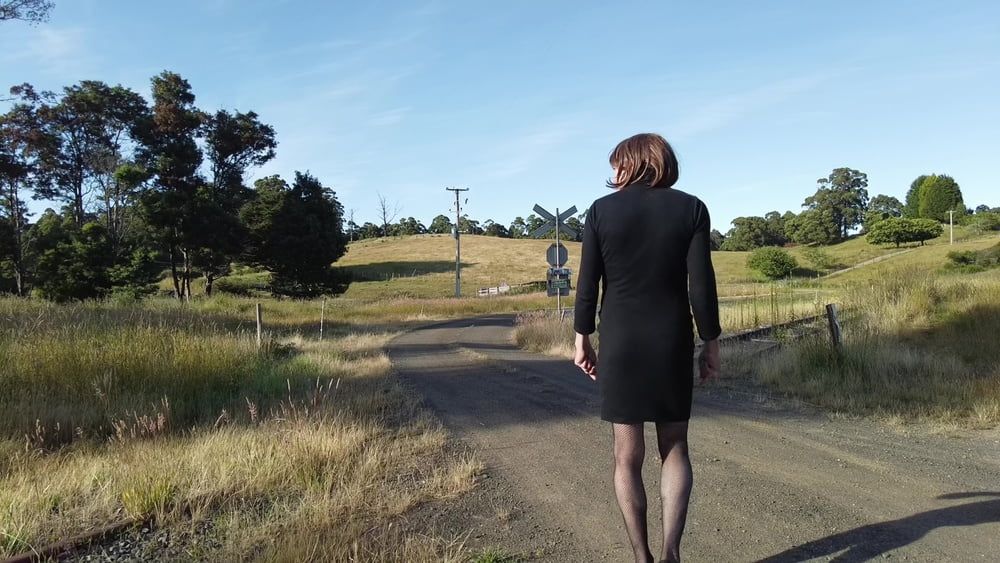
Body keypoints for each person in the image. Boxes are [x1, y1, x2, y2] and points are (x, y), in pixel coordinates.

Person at [573, 133, 721, 563]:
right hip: (671, 337)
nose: (613, 173)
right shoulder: (691, 208)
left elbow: (587, 284)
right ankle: (672, 553)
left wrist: (582, 337)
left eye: (617, 164)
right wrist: (711, 343)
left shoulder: (601, 211)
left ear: (632, 163)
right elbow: (701, 287)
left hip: (620, 340)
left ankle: (643, 558)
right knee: (675, 447)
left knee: (627, 456)